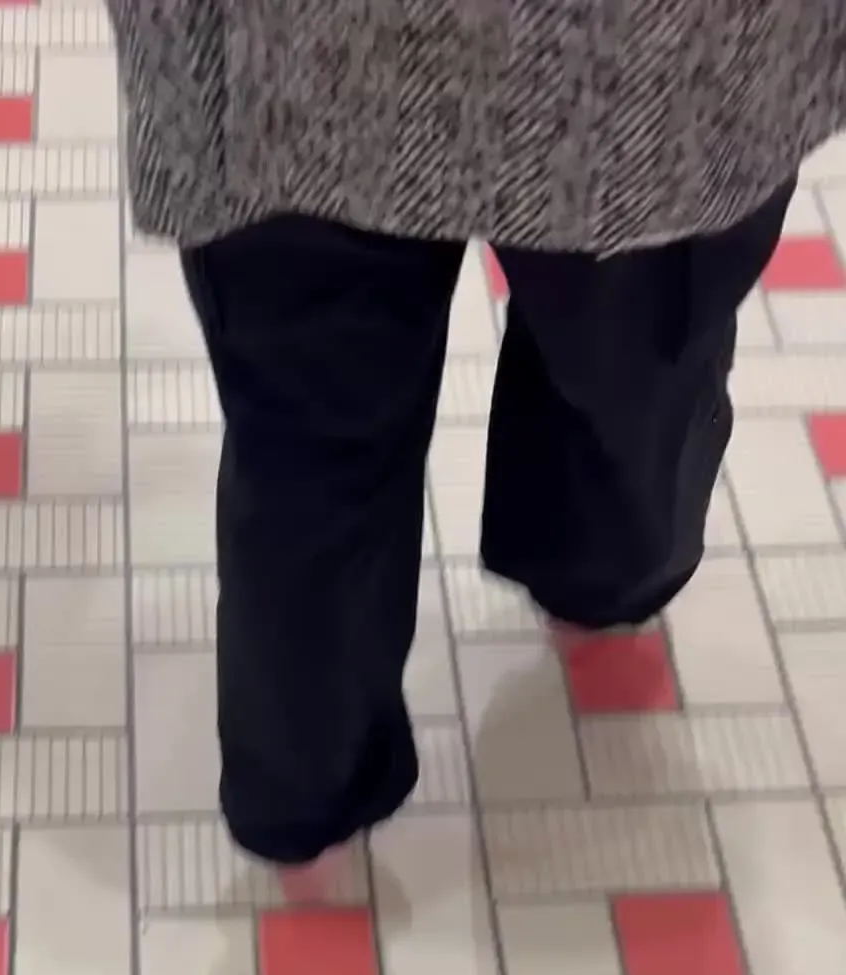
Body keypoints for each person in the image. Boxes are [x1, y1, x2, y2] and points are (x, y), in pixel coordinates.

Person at [108, 0, 846, 888]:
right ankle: (598, 580)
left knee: (313, 438)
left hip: (290, 49)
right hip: (655, 56)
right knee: (637, 356)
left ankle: (308, 800)